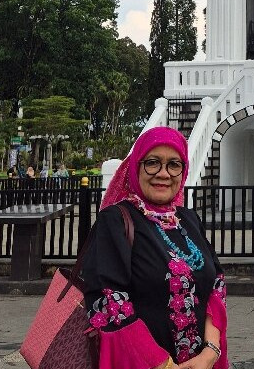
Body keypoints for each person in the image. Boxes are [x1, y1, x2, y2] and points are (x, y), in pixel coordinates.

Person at [83, 127, 228, 369]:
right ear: (136, 167)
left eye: (174, 164)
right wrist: (163, 364)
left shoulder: (188, 219)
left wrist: (210, 351)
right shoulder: (116, 220)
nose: (163, 173)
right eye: (152, 163)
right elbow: (110, 300)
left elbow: (217, 283)